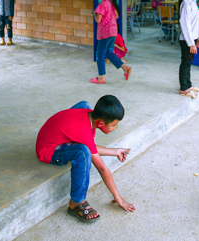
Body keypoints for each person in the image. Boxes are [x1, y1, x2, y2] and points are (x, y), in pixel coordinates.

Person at [36, 95, 136, 223]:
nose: (114, 128)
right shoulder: (83, 131)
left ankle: (71, 137)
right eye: (113, 125)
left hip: (52, 135)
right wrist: (118, 198)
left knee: (84, 104)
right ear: (100, 123)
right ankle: (76, 203)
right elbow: (102, 168)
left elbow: (90, 144)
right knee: (83, 152)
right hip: (48, 150)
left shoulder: (88, 115)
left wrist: (115, 151)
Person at [92, 0, 132, 84]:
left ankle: (101, 77)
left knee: (100, 54)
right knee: (108, 52)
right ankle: (125, 68)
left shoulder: (102, 4)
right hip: (113, 33)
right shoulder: (112, 3)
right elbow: (116, 15)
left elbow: (98, 20)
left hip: (105, 34)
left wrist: (94, 13)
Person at [178, 0, 199, 98]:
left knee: (189, 62)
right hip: (186, 40)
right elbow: (185, 26)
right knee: (186, 62)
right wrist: (191, 43)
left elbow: (198, 21)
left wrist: (198, 38)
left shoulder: (193, 3)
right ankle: (184, 88)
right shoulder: (186, 5)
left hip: (192, 39)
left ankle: (188, 84)